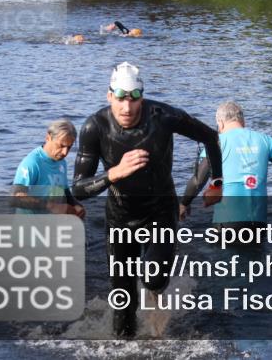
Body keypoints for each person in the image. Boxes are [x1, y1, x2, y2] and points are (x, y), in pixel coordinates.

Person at [71, 62, 224, 338]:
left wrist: (217, 183)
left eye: (134, 99)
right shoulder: (95, 126)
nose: (127, 108)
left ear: (142, 95)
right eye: (120, 98)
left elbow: (211, 137)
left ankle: (155, 299)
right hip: (120, 218)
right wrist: (113, 174)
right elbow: (79, 189)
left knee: (153, 278)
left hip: (160, 213)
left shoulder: (163, 116)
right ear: (109, 96)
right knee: (123, 303)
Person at [179, 100, 272, 230]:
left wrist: (184, 204)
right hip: (258, 221)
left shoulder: (216, 142)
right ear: (242, 121)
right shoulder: (265, 140)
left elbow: (198, 180)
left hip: (227, 222)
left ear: (220, 123)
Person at [11, 118, 85, 217]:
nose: (65, 152)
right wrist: (52, 206)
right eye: (61, 146)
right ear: (48, 138)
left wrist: (76, 205)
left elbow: (65, 191)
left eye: (69, 147)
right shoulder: (32, 163)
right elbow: (16, 198)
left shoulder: (61, 163)